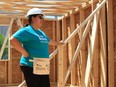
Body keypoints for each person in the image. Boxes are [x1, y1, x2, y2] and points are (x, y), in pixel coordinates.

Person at [10, 8, 64, 87]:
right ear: (33, 18)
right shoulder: (27, 30)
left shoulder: (40, 32)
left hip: (42, 65)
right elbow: (12, 40)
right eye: (40, 17)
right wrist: (24, 52)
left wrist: (59, 43)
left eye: (42, 17)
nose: (42, 19)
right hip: (30, 65)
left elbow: (49, 41)